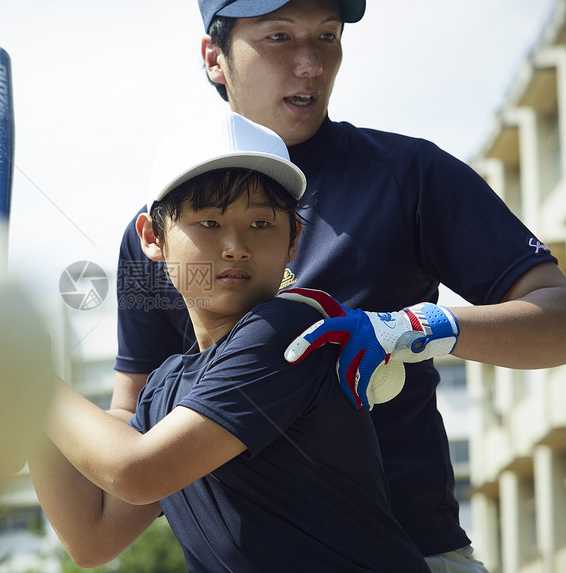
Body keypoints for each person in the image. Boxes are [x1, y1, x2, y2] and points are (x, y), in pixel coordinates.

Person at [113, 0, 566, 570]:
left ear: (293, 233)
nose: (310, 64)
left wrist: (417, 327)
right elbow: (130, 427)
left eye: (327, 37)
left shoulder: (408, 174)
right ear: (214, 58)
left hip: (413, 553)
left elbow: (558, 319)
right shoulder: (157, 232)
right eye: (278, 37)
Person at [30, 110, 429, 572]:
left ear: (293, 239)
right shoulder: (165, 388)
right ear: (151, 237)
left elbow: (137, 472)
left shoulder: (288, 328)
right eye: (208, 223)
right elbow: (92, 538)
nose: (235, 246)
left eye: (261, 224)